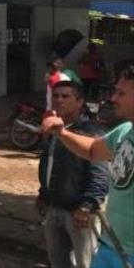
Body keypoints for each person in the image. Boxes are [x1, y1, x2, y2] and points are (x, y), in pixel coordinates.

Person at [42, 65, 134, 268]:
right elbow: (92, 150)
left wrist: (87, 205)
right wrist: (62, 133)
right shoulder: (124, 131)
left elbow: (96, 173)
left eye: (121, 93)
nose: (113, 99)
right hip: (111, 246)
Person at [38, 81, 108, 268]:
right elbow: (48, 164)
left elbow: (99, 172)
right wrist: (43, 194)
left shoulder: (90, 132)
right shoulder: (55, 129)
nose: (59, 100)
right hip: (55, 208)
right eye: (56, 95)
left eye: (65, 96)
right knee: (58, 261)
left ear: (79, 102)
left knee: (86, 263)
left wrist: (87, 206)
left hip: (80, 213)